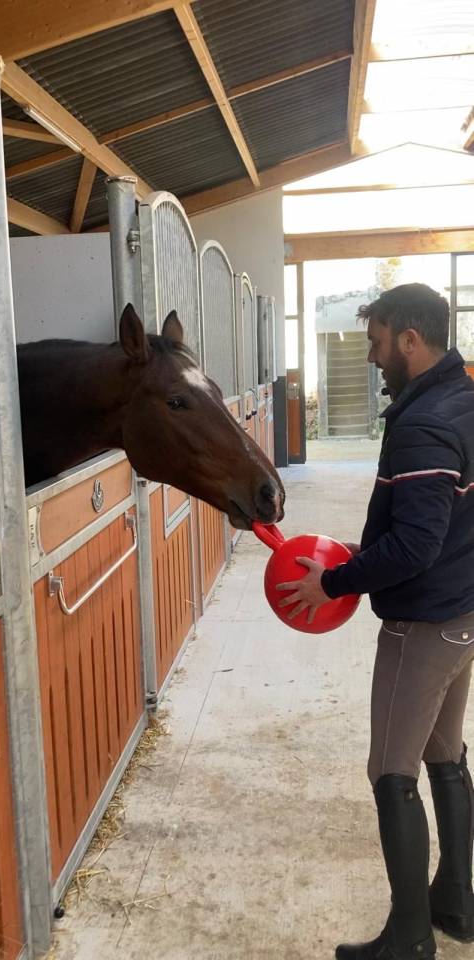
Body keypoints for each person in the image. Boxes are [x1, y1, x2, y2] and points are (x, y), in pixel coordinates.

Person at [277, 283, 474, 960]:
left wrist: (332, 580)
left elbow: (417, 545)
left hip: (422, 622)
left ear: (411, 341)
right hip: (462, 613)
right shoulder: (464, 400)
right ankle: (456, 903)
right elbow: (441, 525)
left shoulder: (422, 424)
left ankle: (410, 938)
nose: (372, 354)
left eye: (378, 339)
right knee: (445, 754)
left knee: (392, 772)